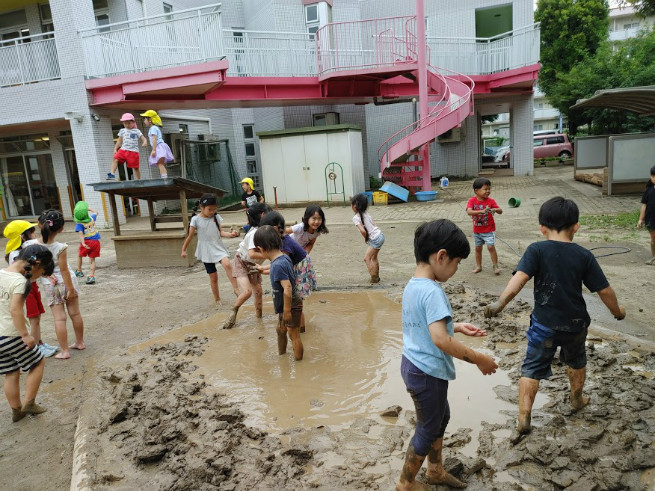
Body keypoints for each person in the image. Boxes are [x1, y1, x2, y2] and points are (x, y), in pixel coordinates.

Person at [484, 197, 625, 442]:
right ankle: (577, 399)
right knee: (577, 361)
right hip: (575, 324)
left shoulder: (536, 250)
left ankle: (524, 417)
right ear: (576, 226)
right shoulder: (584, 255)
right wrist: (617, 312)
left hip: (543, 325)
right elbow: (604, 290)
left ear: (542, 227)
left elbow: (519, 280)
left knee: (532, 368)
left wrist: (500, 303)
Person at [397, 219, 497, 490]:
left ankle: (435, 470)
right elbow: (440, 339)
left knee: (441, 417)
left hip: (413, 365)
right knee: (428, 427)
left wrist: (457, 326)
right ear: (441, 256)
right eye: (456, 263)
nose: (455, 270)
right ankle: (406, 483)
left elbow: (424, 325)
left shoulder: (413, 285)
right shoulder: (432, 291)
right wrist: (479, 359)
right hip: (427, 372)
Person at [0, 244, 55, 422]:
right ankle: (29, 402)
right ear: (36, 264)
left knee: (11, 371)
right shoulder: (20, 281)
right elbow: (16, 310)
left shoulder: (1, 273)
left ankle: (16, 410)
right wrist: (25, 334)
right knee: (38, 362)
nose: (37, 278)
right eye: (41, 273)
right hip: (13, 334)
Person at [3, 221, 57, 357]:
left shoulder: (27, 252)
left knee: (37, 316)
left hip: (32, 287)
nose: (34, 234)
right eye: (32, 232)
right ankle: (35, 347)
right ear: (22, 236)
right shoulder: (17, 255)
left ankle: (39, 342)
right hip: (23, 290)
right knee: (33, 317)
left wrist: (47, 276)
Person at [37, 210, 86, 360]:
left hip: (51, 285)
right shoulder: (61, 247)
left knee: (59, 319)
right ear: (61, 229)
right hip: (67, 282)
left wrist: (45, 275)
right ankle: (80, 342)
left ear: (39, 225)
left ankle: (64, 351)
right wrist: (70, 289)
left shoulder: (32, 246)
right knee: (75, 313)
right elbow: (64, 270)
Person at [253, 225, 303, 361]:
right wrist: (261, 269)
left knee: (294, 335)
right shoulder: (282, 258)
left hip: (290, 305)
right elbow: (277, 271)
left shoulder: (277, 265)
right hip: (287, 305)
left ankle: (299, 364)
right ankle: (282, 356)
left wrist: (287, 311)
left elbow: (287, 288)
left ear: (261, 249)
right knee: (280, 330)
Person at [181, 193, 239, 305]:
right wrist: (183, 250)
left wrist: (231, 234)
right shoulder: (195, 219)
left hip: (218, 247)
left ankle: (236, 289)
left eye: (214, 209)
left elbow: (221, 232)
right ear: (201, 208)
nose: (212, 211)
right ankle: (217, 299)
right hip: (206, 250)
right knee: (213, 277)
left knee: (227, 264)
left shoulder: (216, 217)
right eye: (209, 209)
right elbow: (190, 236)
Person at [261, 212, 314, 332]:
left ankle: (301, 329)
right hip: (296, 265)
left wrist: (263, 270)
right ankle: (301, 329)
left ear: (274, 229)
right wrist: (262, 269)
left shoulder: (284, 244)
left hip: (300, 268)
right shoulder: (282, 239)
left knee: (297, 301)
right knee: (298, 302)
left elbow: (280, 266)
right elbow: (278, 264)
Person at [222, 202, 271, 329]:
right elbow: (252, 254)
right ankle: (233, 312)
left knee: (259, 292)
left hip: (254, 265)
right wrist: (270, 256)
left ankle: (259, 318)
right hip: (242, 262)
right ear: (263, 215)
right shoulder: (254, 233)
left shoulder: (266, 231)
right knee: (248, 292)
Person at [466, 177, 503, 275]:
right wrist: (481, 211)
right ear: (476, 191)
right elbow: (469, 211)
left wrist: (495, 210)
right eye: (485, 189)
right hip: (477, 231)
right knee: (478, 248)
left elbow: (500, 211)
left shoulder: (491, 201)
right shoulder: (472, 201)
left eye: (489, 189)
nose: (488, 191)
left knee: (491, 247)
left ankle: (495, 266)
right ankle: (478, 266)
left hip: (489, 230)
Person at [351, 193, 384, 284]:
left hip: (375, 239)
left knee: (367, 258)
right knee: (374, 257)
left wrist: (366, 238)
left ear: (354, 206)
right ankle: (376, 276)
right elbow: (374, 224)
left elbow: (363, 231)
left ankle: (374, 278)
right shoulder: (366, 213)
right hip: (380, 235)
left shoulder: (355, 218)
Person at [107, 113, 147, 180]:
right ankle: (112, 174)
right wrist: (115, 149)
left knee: (135, 168)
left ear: (133, 122)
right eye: (125, 123)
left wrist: (145, 142)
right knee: (115, 159)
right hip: (123, 150)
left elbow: (143, 138)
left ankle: (139, 180)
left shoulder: (136, 131)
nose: (127, 125)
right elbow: (119, 141)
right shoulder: (122, 131)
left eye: (129, 123)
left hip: (133, 151)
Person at [73, 201, 100, 285]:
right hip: (96, 242)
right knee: (92, 260)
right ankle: (91, 276)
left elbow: (81, 234)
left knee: (80, 255)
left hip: (87, 242)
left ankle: (79, 270)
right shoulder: (92, 218)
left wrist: (83, 243)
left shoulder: (79, 224)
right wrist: (88, 209)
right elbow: (96, 212)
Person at [140, 110, 174, 178]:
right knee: (160, 164)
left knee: (160, 163)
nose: (144, 120)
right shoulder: (154, 128)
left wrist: (154, 150)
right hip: (160, 146)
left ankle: (164, 178)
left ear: (150, 120)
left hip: (159, 147)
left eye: (145, 118)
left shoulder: (153, 128)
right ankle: (164, 177)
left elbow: (154, 139)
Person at [637, 165, 655, 265]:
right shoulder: (648, 190)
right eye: (653, 176)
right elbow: (644, 206)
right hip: (651, 219)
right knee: (653, 240)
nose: (654, 178)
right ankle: (654, 257)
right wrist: (640, 219)